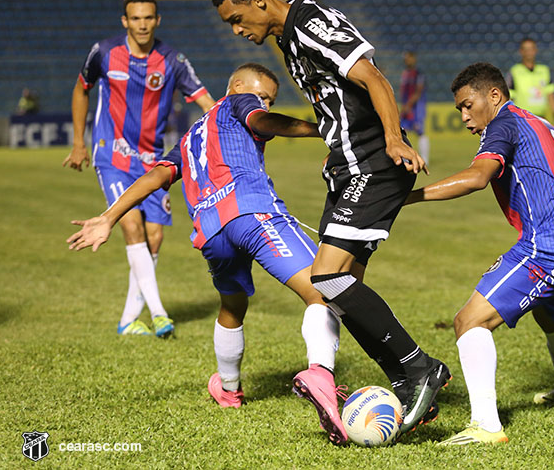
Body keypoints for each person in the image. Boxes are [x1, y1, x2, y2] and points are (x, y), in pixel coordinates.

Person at [212, 0, 450, 436]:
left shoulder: (307, 20)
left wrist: (392, 140)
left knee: (328, 276)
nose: (238, 31)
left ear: (260, 0)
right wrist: (334, 150)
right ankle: (407, 380)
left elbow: (373, 78)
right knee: (338, 292)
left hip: (372, 164)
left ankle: (419, 368)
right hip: (347, 167)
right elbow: (337, 103)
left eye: (238, 19)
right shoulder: (287, 41)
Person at [67, 63, 349, 445]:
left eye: (269, 97)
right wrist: (321, 130)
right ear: (236, 87)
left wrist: (108, 217)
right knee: (324, 289)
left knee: (232, 306)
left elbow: (156, 176)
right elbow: (262, 120)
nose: (263, 101)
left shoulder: (190, 137)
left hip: (211, 231)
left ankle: (228, 388)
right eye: (260, 94)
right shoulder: (238, 104)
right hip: (251, 212)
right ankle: (321, 374)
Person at [405, 62, 554, 445]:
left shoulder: (503, 124)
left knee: (469, 322)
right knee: (550, 313)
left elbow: (478, 178)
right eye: (459, 109)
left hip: (550, 245)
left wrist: (405, 200)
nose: (464, 117)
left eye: (467, 105)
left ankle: (486, 427)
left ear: (494, 96)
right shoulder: (538, 122)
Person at [62, 0, 216, 338]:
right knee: (130, 224)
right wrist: (77, 143)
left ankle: (129, 319)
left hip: (151, 160)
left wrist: (231, 126)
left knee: (155, 236)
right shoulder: (104, 52)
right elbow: (81, 88)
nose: (142, 24)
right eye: (136, 18)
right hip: (111, 154)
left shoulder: (172, 60)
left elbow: (206, 100)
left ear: (157, 20)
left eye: (148, 18)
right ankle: (160, 315)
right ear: (125, 21)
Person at [506, 37, 554, 133]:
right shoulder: (515, 71)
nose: (529, 52)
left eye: (531, 49)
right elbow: (509, 97)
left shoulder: (544, 70)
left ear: (535, 50)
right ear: (521, 51)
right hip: (522, 120)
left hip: (541, 119)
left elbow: (551, 95)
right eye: (526, 49)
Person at [399, 50, 430, 164]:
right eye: (405, 58)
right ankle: (404, 158)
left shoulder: (419, 74)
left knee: (420, 131)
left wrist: (408, 105)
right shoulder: (405, 74)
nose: (406, 60)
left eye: (409, 57)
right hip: (406, 107)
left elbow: (418, 92)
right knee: (401, 131)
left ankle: (425, 159)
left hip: (417, 108)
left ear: (414, 58)